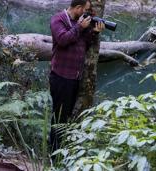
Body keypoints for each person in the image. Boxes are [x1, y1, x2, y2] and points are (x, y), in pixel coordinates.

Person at [49, 0, 105, 153]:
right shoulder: (58, 19)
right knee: (58, 117)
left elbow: (83, 45)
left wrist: (93, 32)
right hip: (61, 77)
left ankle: (62, 152)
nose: (87, 13)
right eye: (85, 10)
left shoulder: (80, 23)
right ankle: (54, 154)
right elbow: (62, 40)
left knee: (66, 117)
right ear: (78, 7)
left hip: (74, 78)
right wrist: (80, 27)